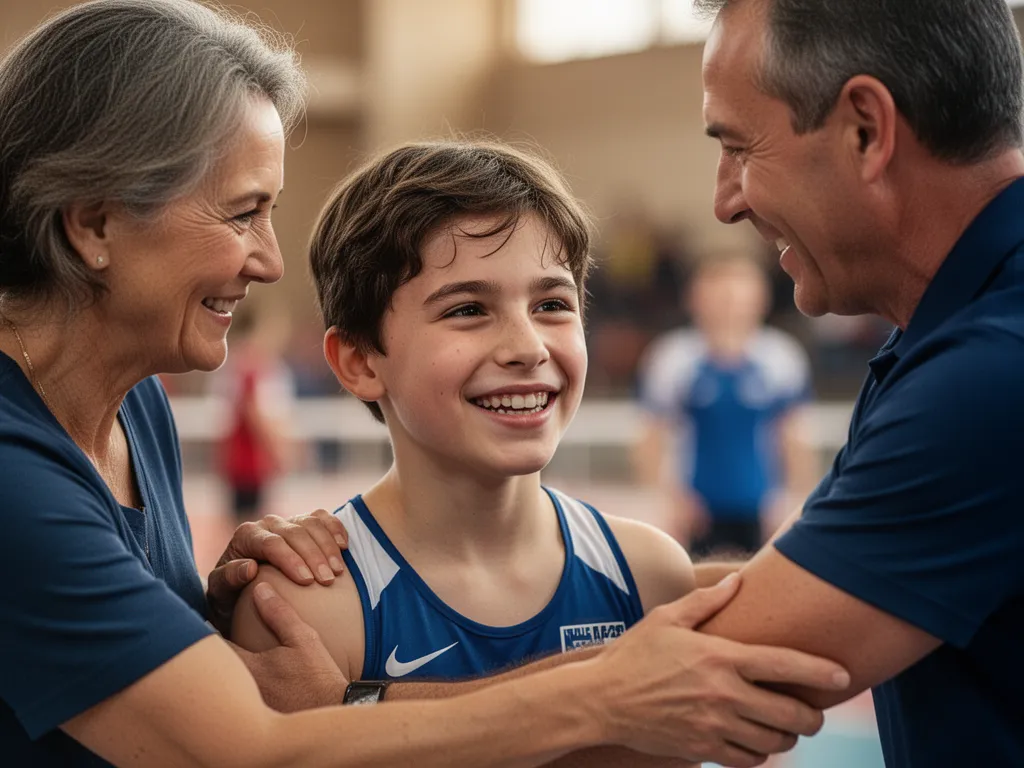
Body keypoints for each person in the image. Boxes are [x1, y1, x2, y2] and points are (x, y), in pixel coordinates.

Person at [0, 2, 850, 766]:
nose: (268, 259)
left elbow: (252, 701)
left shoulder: (128, 400)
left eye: (553, 302)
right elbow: (251, 749)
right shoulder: (16, 477)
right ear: (95, 224)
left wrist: (205, 610)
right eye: (242, 212)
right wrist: (614, 688)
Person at [231, 141, 694, 706]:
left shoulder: (650, 577)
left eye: (552, 304)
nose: (527, 347)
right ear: (358, 362)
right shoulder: (306, 610)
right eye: (467, 310)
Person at [691, 0, 1024, 765]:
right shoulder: (943, 336)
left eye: (739, 148)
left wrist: (369, 704)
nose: (725, 201)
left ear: (866, 130)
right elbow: (799, 585)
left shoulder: (989, 376)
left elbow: (689, 686)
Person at [635, 253, 816, 555]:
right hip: (696, 511)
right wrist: (671, 499)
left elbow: (794, 437)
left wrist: (793, 501)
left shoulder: (780, 358)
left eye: (738, 296)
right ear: (695, 300)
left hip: (762, 509)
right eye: (719, 296)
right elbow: (651, 438)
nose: (729, 306)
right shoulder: (673, 359)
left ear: (760, 300)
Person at [214, 302, 297, 523]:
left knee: (244, 522)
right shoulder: (251, 366)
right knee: (249, 525)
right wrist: (278, 450)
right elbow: (254, 413)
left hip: (242, 460)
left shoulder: (237, 362)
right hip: (249, 461)